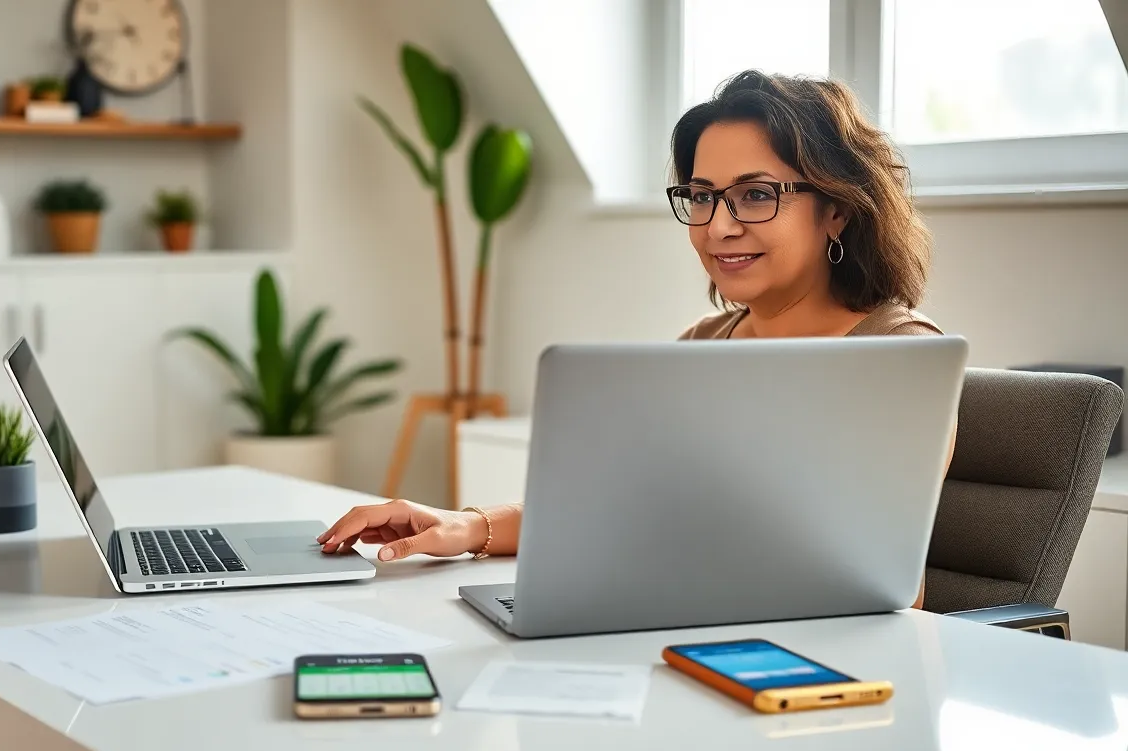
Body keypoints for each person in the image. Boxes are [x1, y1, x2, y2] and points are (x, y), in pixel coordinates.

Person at [318, 69, 954, 611]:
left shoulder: (900, 353)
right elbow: (617, 508)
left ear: (837, 208)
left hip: (824, 658)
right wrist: (465, 526)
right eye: (702, 198)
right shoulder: (704, 343)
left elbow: (882, 584)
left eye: (756, 195)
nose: (720, 227)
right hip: (680, 620)